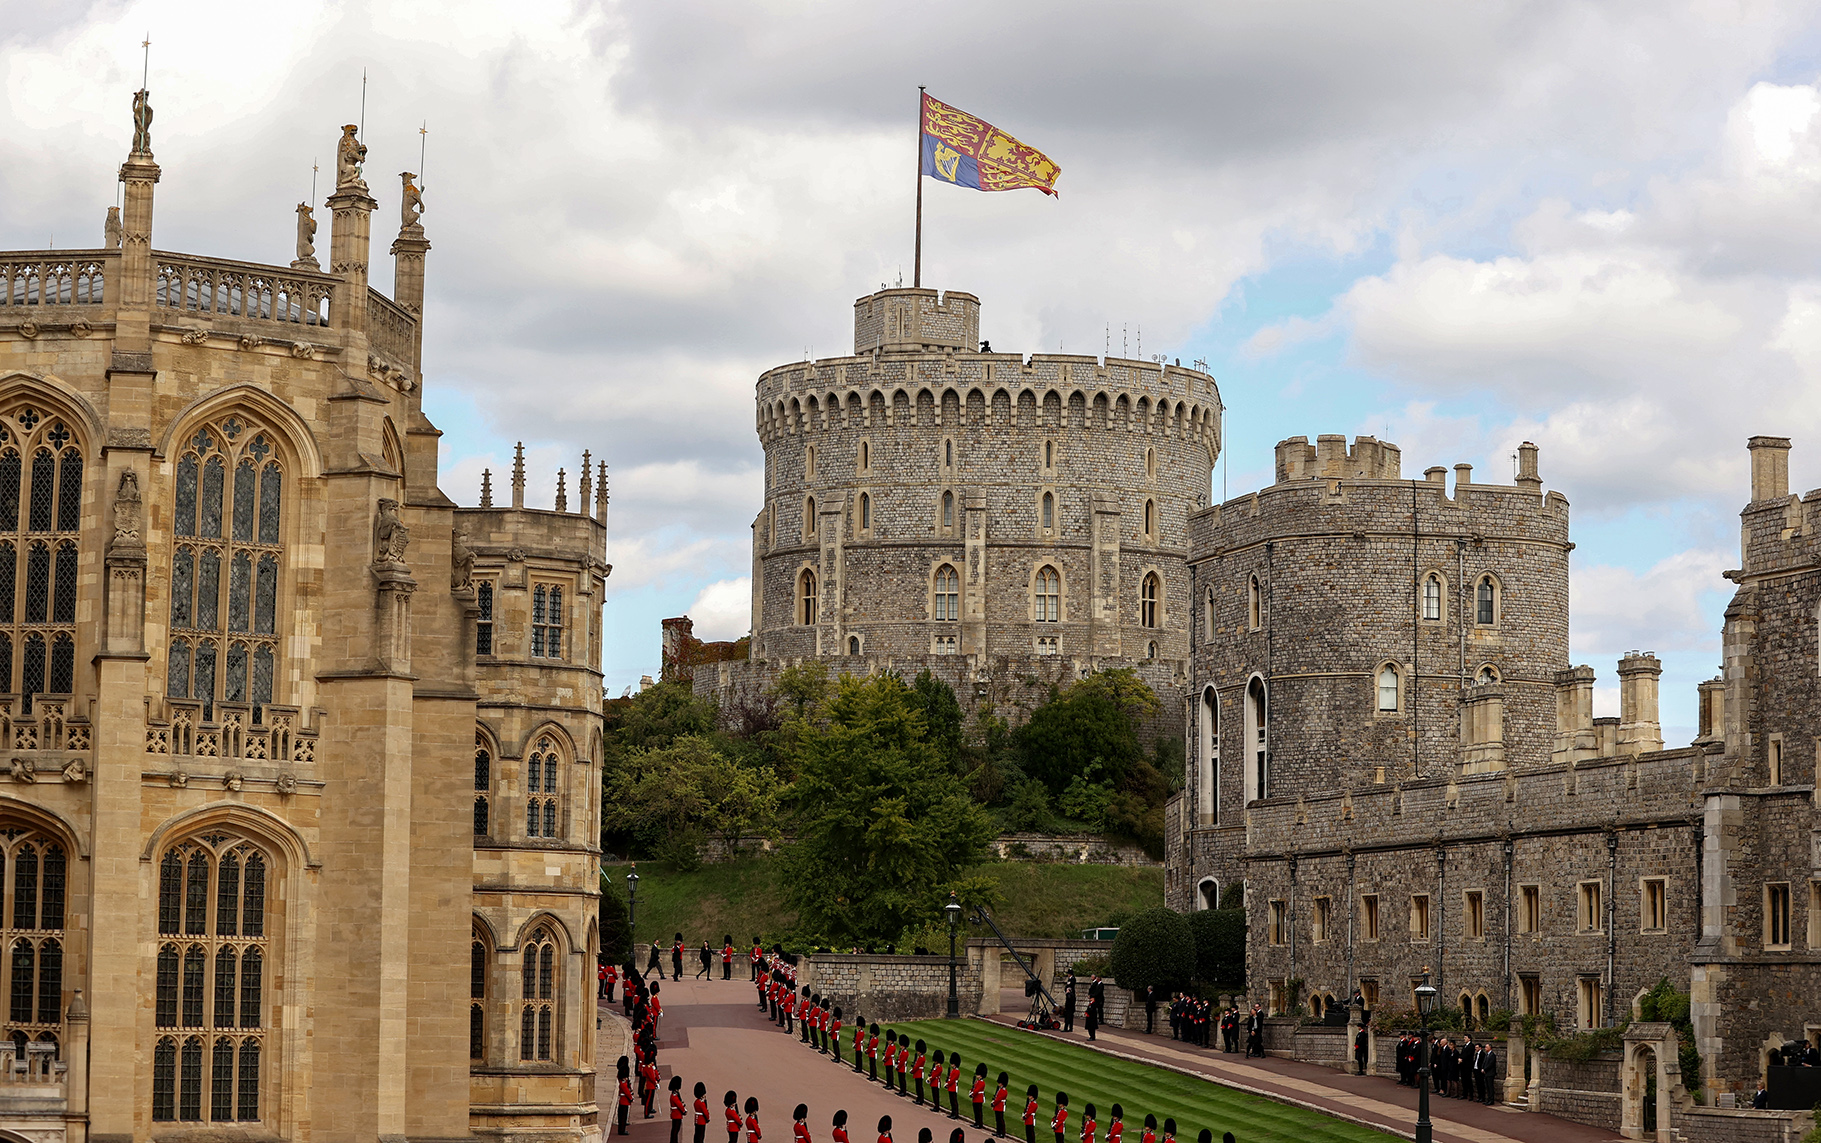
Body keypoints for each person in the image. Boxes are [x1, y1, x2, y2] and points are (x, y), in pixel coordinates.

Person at [616, 1056, 633, 1136]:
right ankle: (622, 1130)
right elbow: (626, 1090)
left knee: (622, 1115)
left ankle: (622, 1127)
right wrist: (630, 1097)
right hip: (624, 1099)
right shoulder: (623, 1081)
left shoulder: (623, 1080)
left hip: (623, 1099)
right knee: (623, 1115)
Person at [992, 1072, 1009, 1138]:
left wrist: (993, 1103)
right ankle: (998, 1131)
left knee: (1000, 1120)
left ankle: (1002, 1133)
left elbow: (998, 1099)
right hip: (998, 1106)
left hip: (1000, 1106)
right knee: (998, 1120)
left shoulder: (1003, 1091)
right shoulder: (1000, 1089)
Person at [671, 1076, 688, 1143]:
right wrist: (684, 1110)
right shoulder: (674, 1095)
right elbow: (679, 1104)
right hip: (676, 1115)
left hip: (676, 1114)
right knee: (675, 1130)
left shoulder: (675, 1094)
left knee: (675, 1130)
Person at [971, 1063, 988, 1129]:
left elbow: (977, 1090)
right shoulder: (978, 1081)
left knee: (978, 1112)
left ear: (981, 1075)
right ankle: (976, 1122)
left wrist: (972, 1094)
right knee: (976, 1111)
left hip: (978, 1098)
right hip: (976, 1098)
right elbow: (974, 1088)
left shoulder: (981, 1083)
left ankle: (979, 1123)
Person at [946, 1053, 962, 1119]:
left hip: (953, 1087)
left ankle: (955, 1114)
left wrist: (947, 1084)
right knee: (952, 1101)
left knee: (954, 1101)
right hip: (951, 1087)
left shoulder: (957, 1071)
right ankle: (953, 1113)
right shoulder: (953, 1070)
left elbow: (952, 1080)